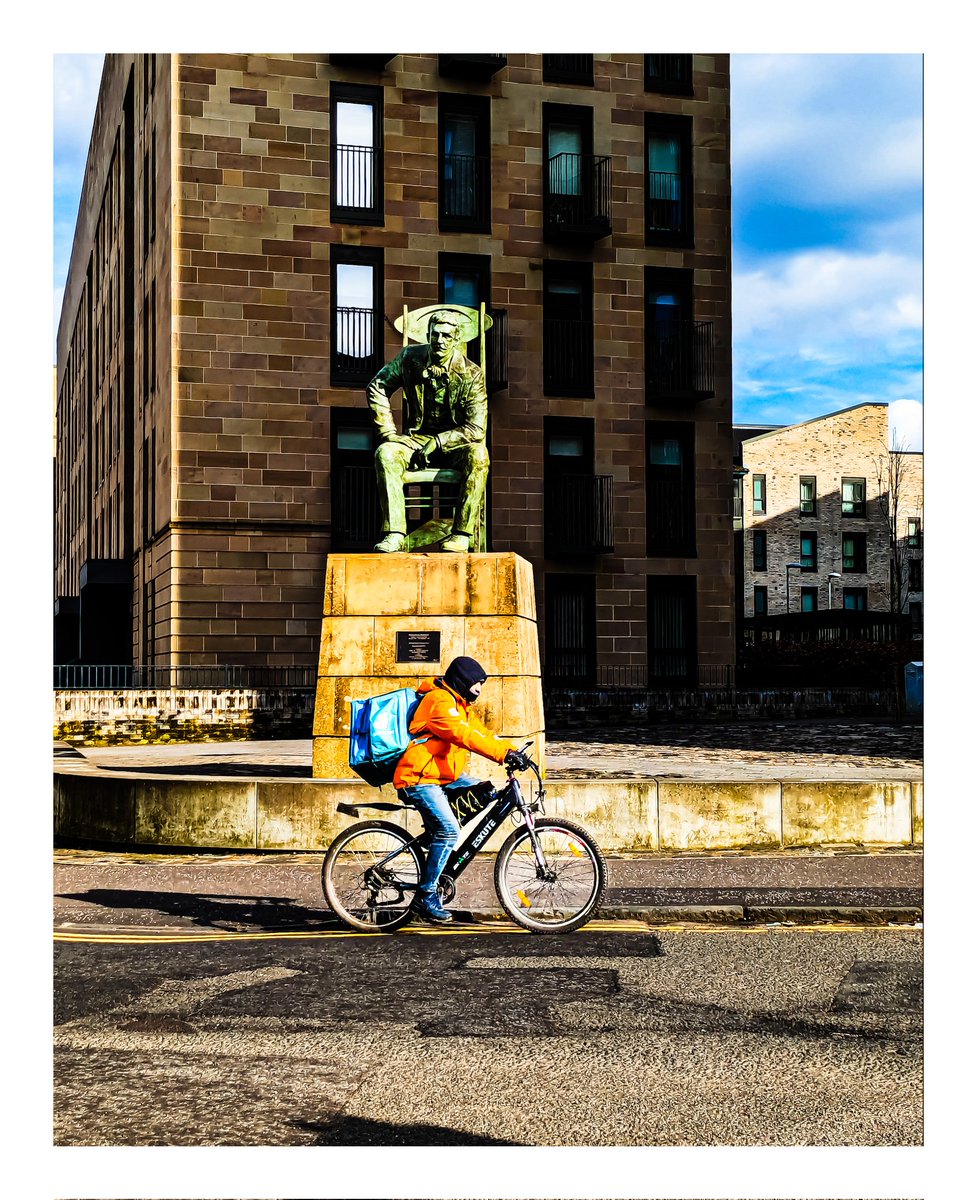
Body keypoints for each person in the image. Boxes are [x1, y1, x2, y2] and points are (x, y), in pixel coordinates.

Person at [393, 655, 531, 924]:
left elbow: (481, 733)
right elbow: (464, 736)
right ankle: (426, 894)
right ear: (462, 681)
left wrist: (512, 751)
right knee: (448, 830)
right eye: (476, 684)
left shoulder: (459, 704)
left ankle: (439, 852)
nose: (479, 689)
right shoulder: (439, 702)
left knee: (486, 790)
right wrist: (503, 756)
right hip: (419, 778)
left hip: (441, 775)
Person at [367, 308, 490, 554]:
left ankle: (461, 534)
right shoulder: (409, 358)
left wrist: (439, 441)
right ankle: (394, 533)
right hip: (415, 441)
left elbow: (476, 428)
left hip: (456, 445)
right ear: (428, 335)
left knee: (479, 455)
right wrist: (389, 432)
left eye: (446, 336)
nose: (440, 341)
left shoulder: (472, 374)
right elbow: (377, 387)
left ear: (456, 339)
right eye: (435, 335)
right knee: (386, 453)